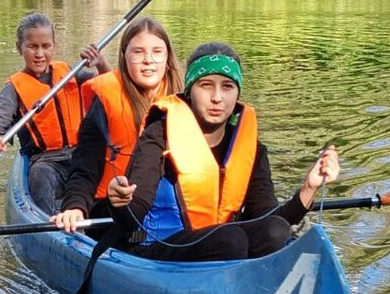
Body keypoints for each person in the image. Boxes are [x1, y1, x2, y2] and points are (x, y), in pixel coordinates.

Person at [107, 42, 339, 261]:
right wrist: (120, 201)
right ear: (189, 91)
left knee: (276, 230)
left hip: (224, 247)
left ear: (237, 94)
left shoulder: (251, 147)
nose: (217, 97)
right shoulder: (159, 135)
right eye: (206, 85)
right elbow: (131, 218)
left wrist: (309, 189)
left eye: (227, 86)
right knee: (230, 239)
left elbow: (268, 220)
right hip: (161, 251)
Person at [50, 16, 183, 234]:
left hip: (174, 210)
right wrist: (74, 205)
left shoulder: (186, 102)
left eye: (157, 52)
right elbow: (85, 166)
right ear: (124, 56)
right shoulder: (106, 102)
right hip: (113, 209)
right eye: (138, 52)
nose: (148, 60)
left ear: (168, 58)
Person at [0, 13, 110, 212]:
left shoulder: (71, 73)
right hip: (46, 162)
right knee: (40, 175)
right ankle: (50, 224)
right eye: (32, 47)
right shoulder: (14, 89)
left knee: (110, 164)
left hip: (81, 154)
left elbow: (112, 88)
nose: (40, 53)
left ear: (54, 46)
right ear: (19, 48)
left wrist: (100, 62)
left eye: (45, 46)